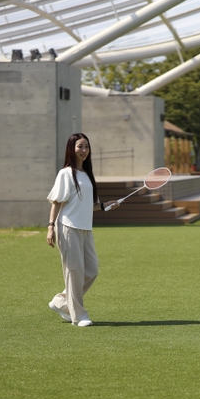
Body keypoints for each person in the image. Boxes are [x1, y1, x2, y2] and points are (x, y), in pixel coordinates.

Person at [46, 133, 119, 327]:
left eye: (86, 146)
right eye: (80, 146)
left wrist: (104, 205)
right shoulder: (65, 174)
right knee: (74, 272)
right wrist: (50, 227)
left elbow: (88, 205)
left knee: (91, 270)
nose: (84, 150)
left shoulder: (87, 175)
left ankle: (61, 302)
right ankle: (78, 316)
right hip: (67, 227)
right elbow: (56, 202)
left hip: (86, 229)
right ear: (71, 149)